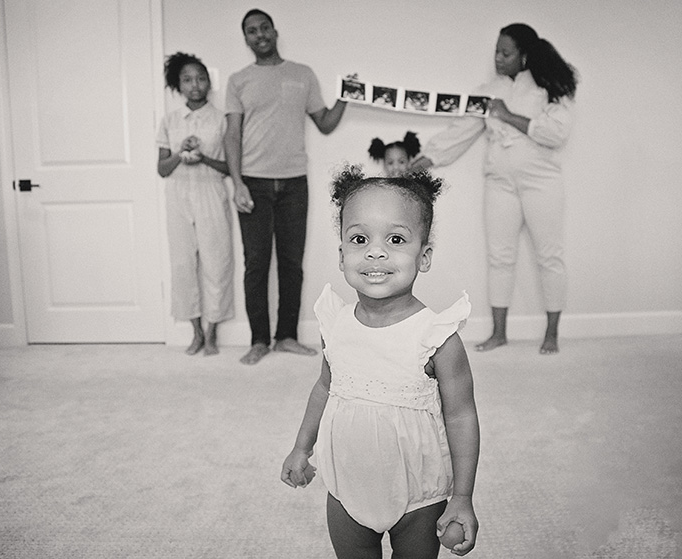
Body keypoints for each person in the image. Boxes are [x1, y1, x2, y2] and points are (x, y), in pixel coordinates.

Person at [281, 166, 480, 558]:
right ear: (342, 256)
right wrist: (301, 447)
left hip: (419, 496)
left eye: (395, 239)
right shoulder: (334, 325)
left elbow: (461, 417)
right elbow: (325, 387)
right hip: (347, 490)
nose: (376, 251)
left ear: (423, 256)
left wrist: (462, 496)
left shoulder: (437, 338)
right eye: (359, 238)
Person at [411, 23, 578, 354]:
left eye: (506, 52)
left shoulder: (550, 88)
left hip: (541, 182)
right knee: (500, 257)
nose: (498, 58)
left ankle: (552, 333)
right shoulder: (487, 91)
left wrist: (507, 114)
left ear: (525, 55)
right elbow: (462, 131)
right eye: (496, 52)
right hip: (500, 183)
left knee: (550, 256)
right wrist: (426, 157)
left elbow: (556, 133)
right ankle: (499, 332)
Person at [224, 8, 348, 365]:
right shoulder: (238, 80)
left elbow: (324, 123)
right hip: (254, 183)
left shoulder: (302, 74)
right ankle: (259, 339)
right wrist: (237, 184)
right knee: (257, 263)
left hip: (295, 182)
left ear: (275, 31)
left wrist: (347, 96)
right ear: (246, 38)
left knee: (292, 263)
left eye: (264, 27)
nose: (259, 34)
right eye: (251, 30)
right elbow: (232, 134)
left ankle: (287, 336)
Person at [156, 52, 234, 356]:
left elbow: (229, 166)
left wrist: (203, 157)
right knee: (182, 264)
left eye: (200, 78)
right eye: (187, 80)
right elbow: (162, 169)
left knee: (217, 262)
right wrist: (179, 151)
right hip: (178, 195)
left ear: (209, 82)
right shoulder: (170, 120)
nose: (195, 85)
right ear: (178, 84)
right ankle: (196, 332)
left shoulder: (221, 120)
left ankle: (213, 332)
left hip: (211, 192)